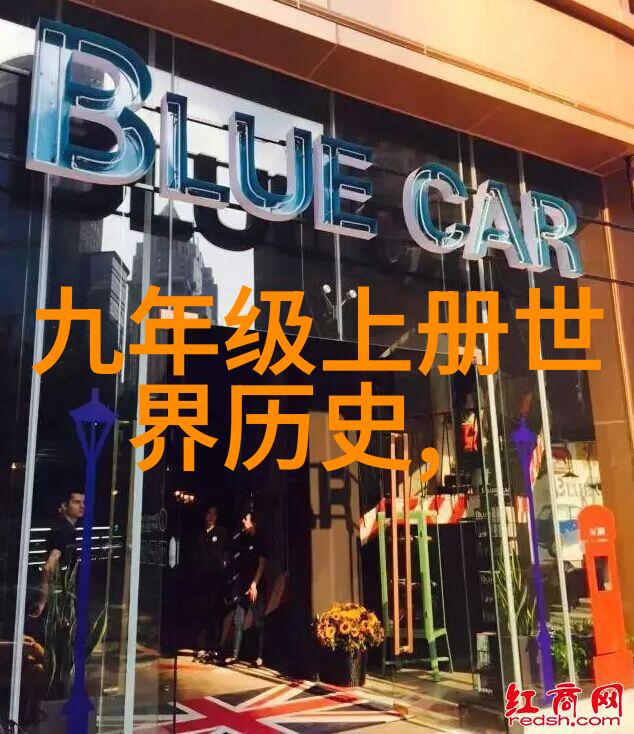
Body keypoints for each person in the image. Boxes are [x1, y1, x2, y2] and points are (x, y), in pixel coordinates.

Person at [29, 490, 84, 619]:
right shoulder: (63, 530)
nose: (82, 506)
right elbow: (48, 567)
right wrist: (43, 601)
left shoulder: (66, 528)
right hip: (59, 596)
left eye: (83, 502)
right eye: (77, 502)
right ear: (65, 506)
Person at [225, 510, 267, 668]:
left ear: (253, 522)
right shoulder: (242, 539)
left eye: (246, 519)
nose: (243, 521)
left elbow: (262, 565)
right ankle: (235, 654)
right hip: (242, 585)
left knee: (258, 621)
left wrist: (254, 584)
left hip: (256, 586)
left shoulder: (260, 540)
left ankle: (260, 656)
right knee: (238, 620)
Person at [195, 506, 228, 663]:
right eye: (208, 514)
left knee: (216, 614)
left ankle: (216, 648)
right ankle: (204, 647)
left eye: (213, 515)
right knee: (204, 613)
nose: (210, 517)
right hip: (203, 580)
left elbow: (222, 554)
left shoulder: (221, 533)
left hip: (216, 580)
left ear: (216, 517)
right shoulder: (200, 534)